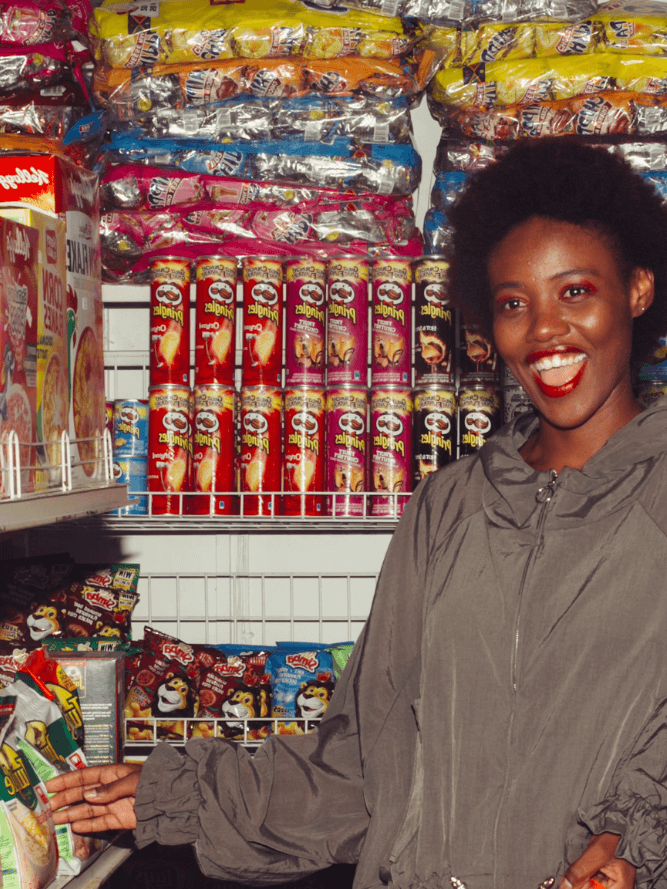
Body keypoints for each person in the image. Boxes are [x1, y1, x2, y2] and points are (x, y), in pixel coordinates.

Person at [47, 138, 667, 889]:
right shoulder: (449, 507)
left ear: (635, 289)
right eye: (513, 303)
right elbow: (360, 764)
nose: (542, 332)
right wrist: (175, 792)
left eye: (574, 291)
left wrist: (637, 839)